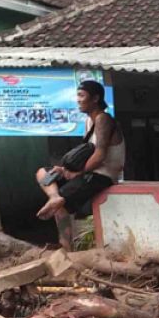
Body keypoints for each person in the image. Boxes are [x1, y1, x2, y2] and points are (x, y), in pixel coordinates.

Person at [34, 80, 124, 246]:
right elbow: (87, 151)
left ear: (95, 98)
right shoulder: (90, 121)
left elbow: (100, 154)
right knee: (43, 173)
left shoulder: (103, 119)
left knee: (62, 205)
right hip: (88, 171)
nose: (78, 100)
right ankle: (54, 197)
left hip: (101, 175)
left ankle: (66, 249)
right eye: (77, 95)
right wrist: (65, 170)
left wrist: (77, 173)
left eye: (82, 96)